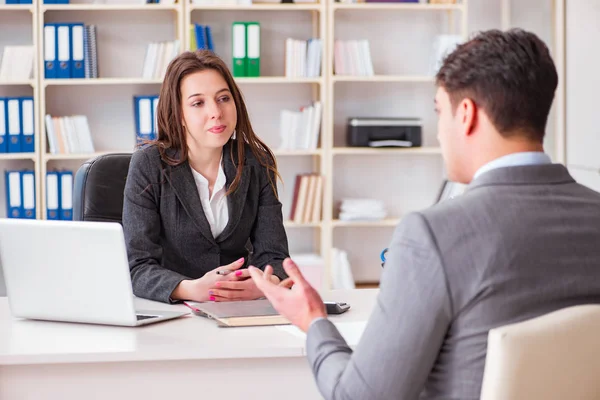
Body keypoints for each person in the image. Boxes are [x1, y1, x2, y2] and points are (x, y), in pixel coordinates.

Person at [249, 29, 600, 399]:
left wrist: (313, 320)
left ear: (466, 115)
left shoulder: (434, 234)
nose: (437, 134)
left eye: (438, 111)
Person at [123, 50, 290, 304]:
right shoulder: (148, 165)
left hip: (238, 308)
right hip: (174, 312)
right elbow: (137, 266)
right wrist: (190, 289)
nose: (216, 112)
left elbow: (275, 256)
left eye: (223, 98)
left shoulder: (257, 162)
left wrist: (265, 284)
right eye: (198, 103)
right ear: (178, 113)